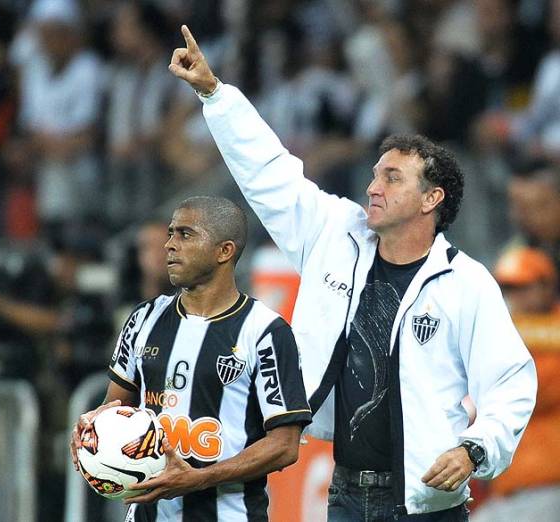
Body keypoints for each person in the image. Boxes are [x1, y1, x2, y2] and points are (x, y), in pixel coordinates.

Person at [168, 25, 536, 521]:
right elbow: (270, 173)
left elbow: (511, 382)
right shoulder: (335, 234)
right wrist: (215, 95)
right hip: (345, 494)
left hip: (428, 503)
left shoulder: (465, 282)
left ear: (432, 198)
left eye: (391, 177)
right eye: (374, 173)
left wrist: (474, 449)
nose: (372, 186)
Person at [70, 196, 312, 521]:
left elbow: (284, 445)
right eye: (171, 233)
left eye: (185, 234)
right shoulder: (144, 318)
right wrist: (91, 434)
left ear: (224, 251)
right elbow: (114, 406)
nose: (169, 245)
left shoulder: (266, 331)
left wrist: (197, 480)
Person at [470, 247, 560, 521]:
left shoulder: (552, 331)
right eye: (508, 288)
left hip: (547, 486)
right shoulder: (506, 332)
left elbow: (533, 390)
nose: (514, 297)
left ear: (546, 286)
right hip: (507, 491)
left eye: (523, 287)